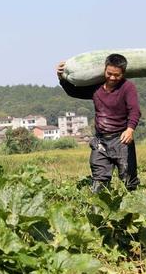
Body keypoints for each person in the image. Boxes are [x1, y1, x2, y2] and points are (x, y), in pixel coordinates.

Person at [56, 54, 141, 193]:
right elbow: (73, 91)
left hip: (121, 140)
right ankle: (99, 210)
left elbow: (135, 110)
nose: (112, 78)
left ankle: (132, 210)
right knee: (99, 181)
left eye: (117, 75)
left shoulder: (127, 87)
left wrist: (130, 129)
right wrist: (61, 77)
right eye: (109, 73)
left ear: (123, 73)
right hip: (101, 141)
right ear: (104, 70)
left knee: (129, 180)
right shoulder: (96, 87)